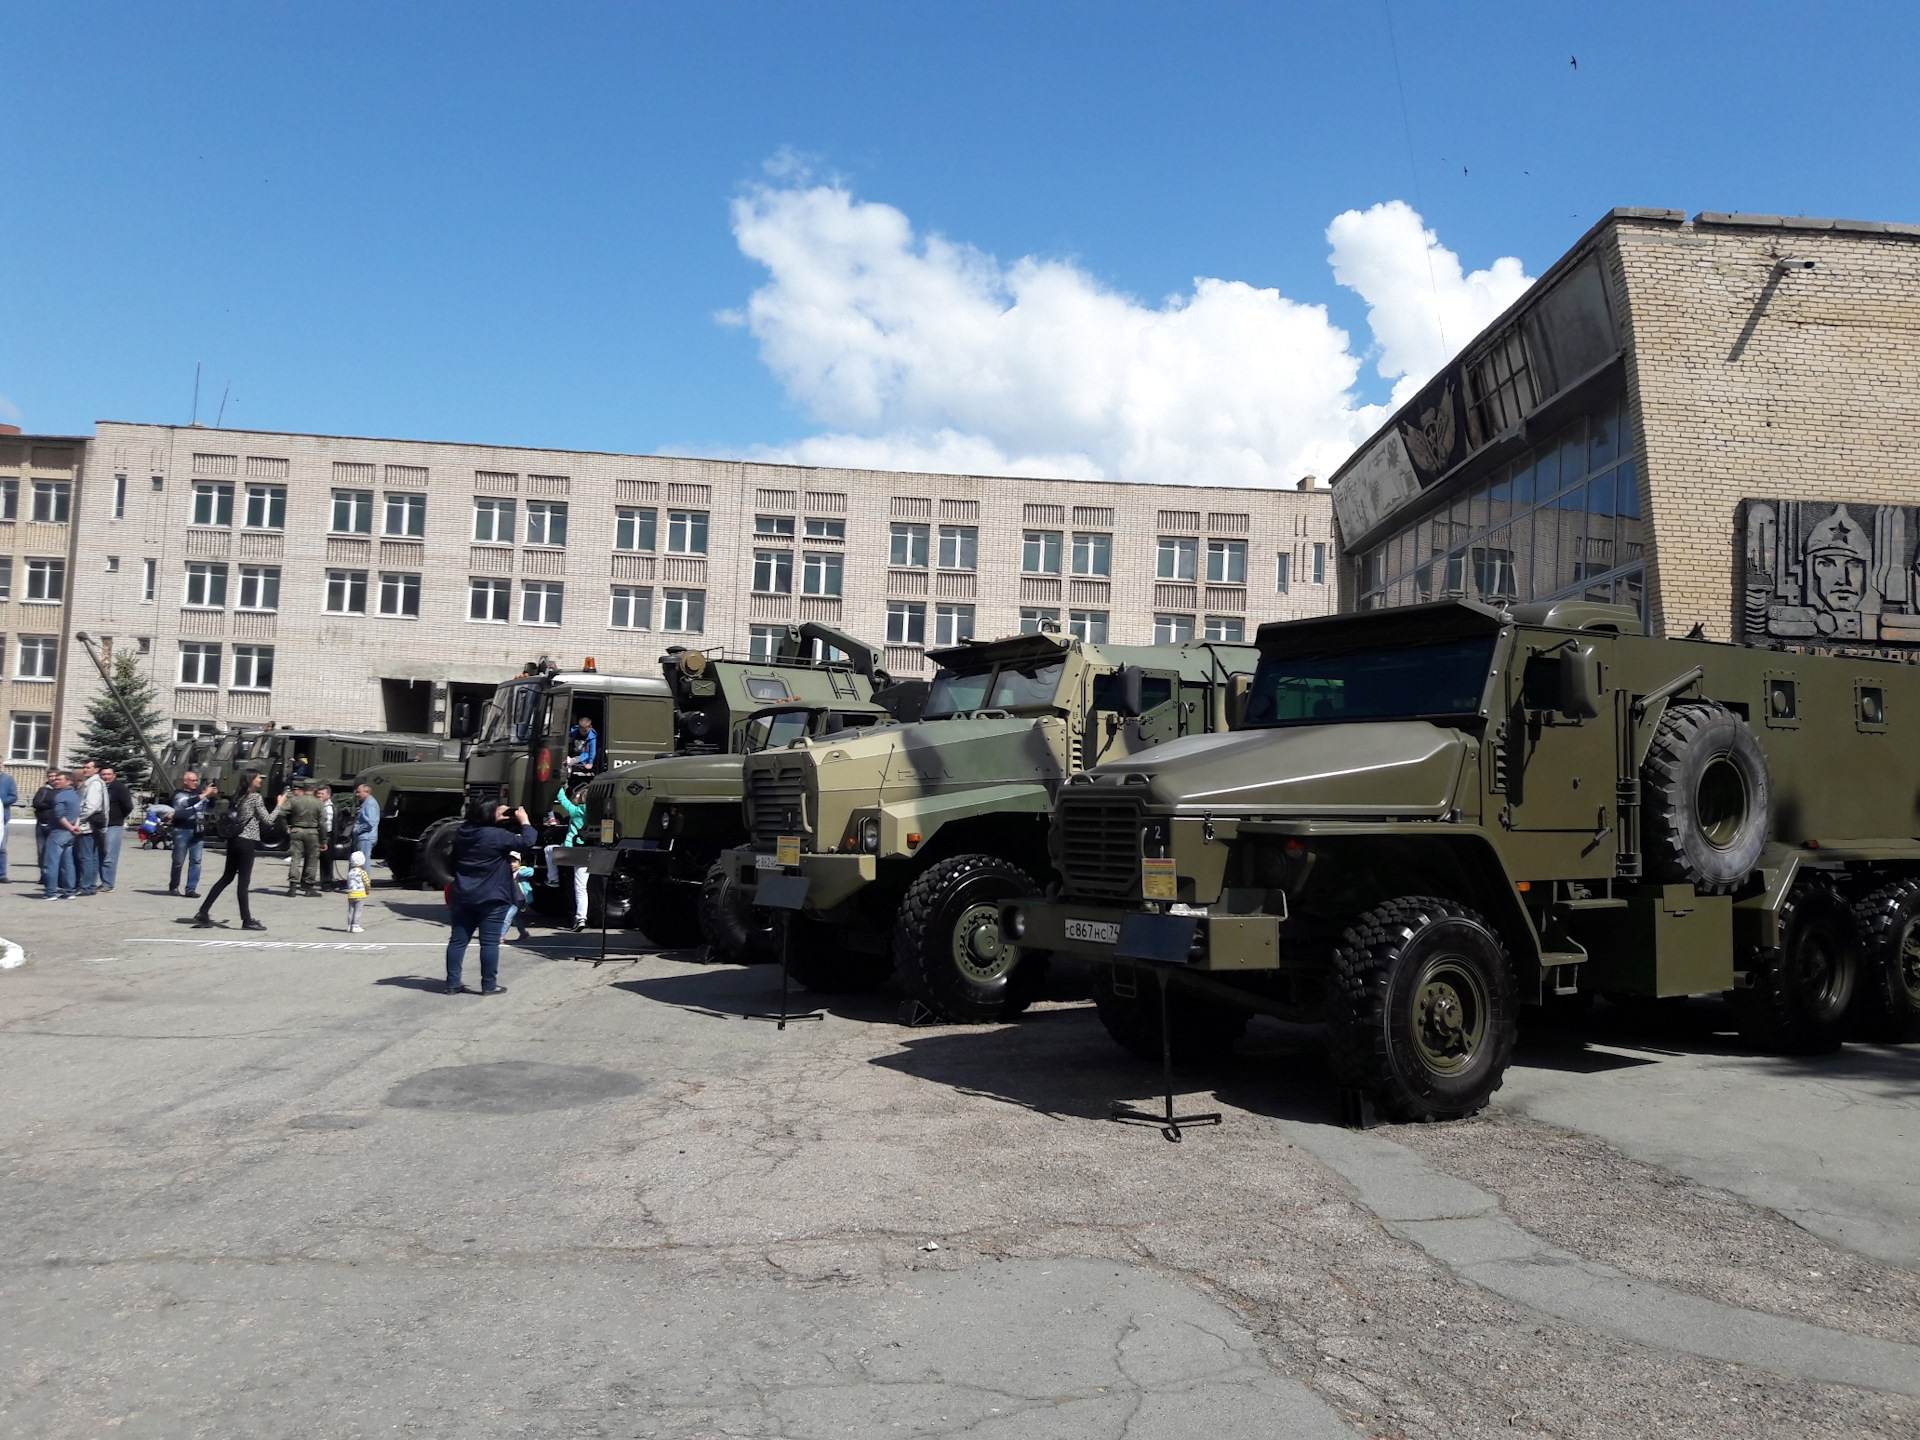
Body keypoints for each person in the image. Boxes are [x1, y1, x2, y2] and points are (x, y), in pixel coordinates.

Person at [444, 801, 536, 996]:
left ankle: (452, 983)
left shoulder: (462, 832)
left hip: (463, 894)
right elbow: (527, 841)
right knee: (489, 943)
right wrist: (524, 821)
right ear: (488, 816)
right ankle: (488, 984)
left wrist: (493, 816)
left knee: (458, 941)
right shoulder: (496, 836)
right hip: (493, 895)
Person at [193, 771, 268, 931]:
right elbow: (267, 820)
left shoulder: (237, 796)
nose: (260, 780)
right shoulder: (255, 797)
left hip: (234, 840)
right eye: (258, 778)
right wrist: (280, 805)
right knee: (243, 882)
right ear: (250, 780)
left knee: (226, 877)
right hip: (247, 841)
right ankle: (246, 920)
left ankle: (203, 911)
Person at [544, 785, 589, 932]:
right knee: (581, 888)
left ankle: (553, 878)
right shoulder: (595, 813)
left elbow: (562, 799)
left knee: (548, 850)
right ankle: (581, 918)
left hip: (570, 850)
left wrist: (558, 786)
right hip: (587, 851)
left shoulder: (576, 811)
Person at [275, 779, 325, 897]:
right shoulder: (319, 803)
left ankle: (292, 887)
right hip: (312, 832)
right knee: (312, 860)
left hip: (296, 830)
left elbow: (281, 813)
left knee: (295, 858)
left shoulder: (294, 800)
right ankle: (308, 888)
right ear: (314, 789)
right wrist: (324, 840)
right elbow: (323, 824)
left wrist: (286, 827)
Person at [169, 771, 215, 897]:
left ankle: (191, 889)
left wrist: (212, 797)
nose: (196, 782)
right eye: (193, 780)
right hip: (182, 830)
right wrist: (205, 794)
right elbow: (185, 804)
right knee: (178, 861)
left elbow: (210, 807)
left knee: (196, 860)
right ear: (185, 781)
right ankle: (174, 886)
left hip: (197, 830)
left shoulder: (199, 794)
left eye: (196, 780)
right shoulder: (179, 794)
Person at [42, 772, 81, 900]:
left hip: (59, 832)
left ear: (68, 781)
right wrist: (75, 827)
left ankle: (50, 892)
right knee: (67, 863)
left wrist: (70, 827)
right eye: (55, 779)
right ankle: (69, 891)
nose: (56, 781)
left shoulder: (60, 796)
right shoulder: (75, 796)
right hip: (70, 834)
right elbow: (78, 814)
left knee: (51, 863)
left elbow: (59, 815)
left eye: (59, 779)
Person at [73, 760, 106, 897]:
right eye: (84, 767)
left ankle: (86, 885)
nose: (85, 770)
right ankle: (90, 885)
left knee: (86, 856)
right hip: (90, 825)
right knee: (91, 856)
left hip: (87, 826)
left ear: (96, 769)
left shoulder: (94, 784)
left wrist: (79, 820)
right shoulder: (92, 783)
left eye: (88, 767)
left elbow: (91, 806)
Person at [99, 766, 134, 892]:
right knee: (101, 854)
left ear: (114, 776)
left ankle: (108, 884)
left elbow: (128, 806)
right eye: (103, 774)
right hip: (100, 826)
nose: (106, 777)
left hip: (114, 826)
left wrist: (117, 817)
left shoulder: (119, 788)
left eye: (108, 774)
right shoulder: (100, 787)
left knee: (109, 855)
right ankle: (103, 882)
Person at [30, 769, 57, 883]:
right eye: (50, 776)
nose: (53, 778)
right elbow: (36, 803)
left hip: (55, 825)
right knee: (42, 851)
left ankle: (53, 876)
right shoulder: (43, 790)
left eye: (55, 776)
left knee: (53, 851)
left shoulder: (61, 791)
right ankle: (44, 875)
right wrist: (50, 804)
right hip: (42, 823)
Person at [503, 855, 534, 944]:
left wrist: (518, 873)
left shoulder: (522, 871)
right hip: (510, 899)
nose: (512, 864)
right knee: (515, 918)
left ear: (519, 863)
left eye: (515, 862)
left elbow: (531, 871)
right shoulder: (506, 873)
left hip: (519, 900)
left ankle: (500, 936)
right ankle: (524, 933)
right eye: (510, 862)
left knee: (507, 917)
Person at [351, 783, 380, 874]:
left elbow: (370, 822)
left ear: (366, 792)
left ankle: (363, 884)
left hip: (366, 838)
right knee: (359, 861)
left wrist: (357, 830)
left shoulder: (370, 804)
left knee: (362, 862)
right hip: (363, 837)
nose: (357, 794)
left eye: (359, 792)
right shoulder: (366, 803)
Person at [315, 786, 339, 889]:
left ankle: (326, 883)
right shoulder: (314, 805)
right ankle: (306, 882)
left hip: (328, 835)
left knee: (327, 860)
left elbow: (338, 821)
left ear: (328, 795)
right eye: (318, 793)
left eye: (322, 794)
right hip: (315, 835)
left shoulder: (334, 807)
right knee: (311, 859)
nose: (319, 795)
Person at [345, 850, 371, 933]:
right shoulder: (362, 872)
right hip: (360, 894)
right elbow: (367, 882)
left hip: (351, 894)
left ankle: (349, 925)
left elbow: (348, 883)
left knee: (351, 911)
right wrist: (367, 890)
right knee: (357, 911)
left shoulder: (350, 873)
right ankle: (355, 926)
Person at [0, 766, 15, 882]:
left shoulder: (7, 779)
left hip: (2, 818)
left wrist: (1, 802)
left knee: (1, 847)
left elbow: (13, 796)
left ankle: (2, 874)